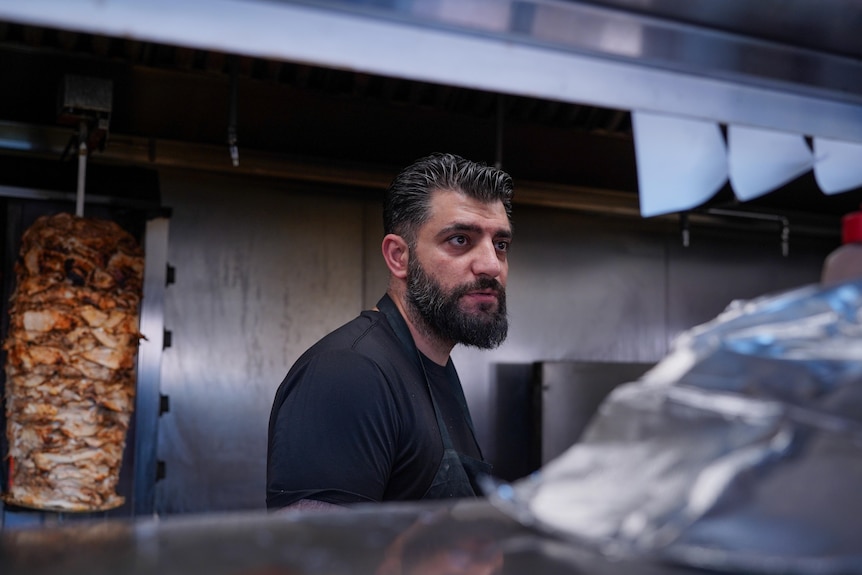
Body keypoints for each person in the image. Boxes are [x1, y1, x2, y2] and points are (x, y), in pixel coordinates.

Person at [266, 152, 514, 511]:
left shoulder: (435, 365)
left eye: (501, 245)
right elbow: (313, 560)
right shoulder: (349, 374)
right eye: (460, 239)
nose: (491, 264)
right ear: (399, 256)